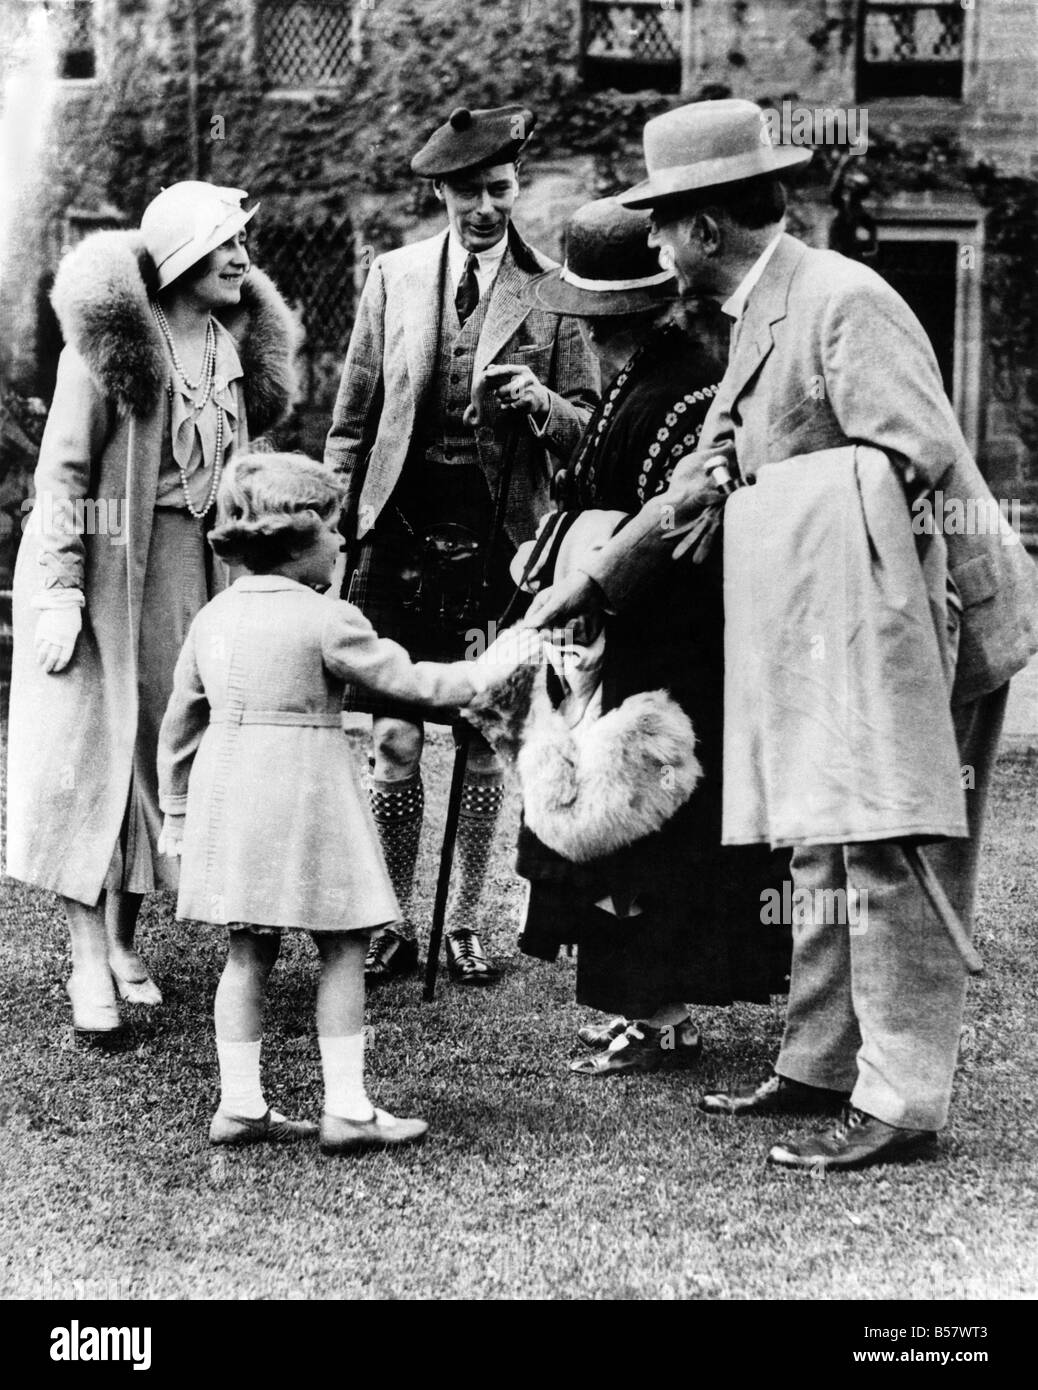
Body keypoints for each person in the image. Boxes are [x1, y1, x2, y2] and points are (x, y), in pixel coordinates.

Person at [525, 99, 1038, 1169]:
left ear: (709, 228)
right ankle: (817, 1062)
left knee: (890, 843)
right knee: (817, 839)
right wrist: (595, 584)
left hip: (918, 618)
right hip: (840, 619)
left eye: (664, 223)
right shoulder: (758, 314)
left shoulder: (846, 301)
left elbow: (915, 464)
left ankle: (901, 1100)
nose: (655, 244)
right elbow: (699, 478)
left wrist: (769, 510)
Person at [157, 453, 524, 1151]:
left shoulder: (213, 618)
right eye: (331, 528)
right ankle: (347, 1108)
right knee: (344, 945)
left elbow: (180, 724)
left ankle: (240, 1103)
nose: (342, 542)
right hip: (307, 795)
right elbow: (412, 683)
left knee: (247, 952)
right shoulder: (331, 619)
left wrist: (177, 815)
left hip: (232, 796)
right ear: (297, 543)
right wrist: (492, 669)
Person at [6, 182, 298, 1045]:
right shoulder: (104, 354)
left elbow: (238, 476)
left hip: (201, 576)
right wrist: (62, 580)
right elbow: (62, 479)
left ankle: (128, 942)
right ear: (180, 258)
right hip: (106, 579)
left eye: (243, 242)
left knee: (168, 752)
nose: (242, 259)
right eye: (225, 244)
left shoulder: (230, 345)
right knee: (96, 757)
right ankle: (85, 958)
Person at [512, 197, 789, 1076]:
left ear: (614, 318)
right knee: (622, 820)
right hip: (628, 626)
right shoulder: (653, 376)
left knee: (641, 829)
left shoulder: (681, 386)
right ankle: (643, 1006)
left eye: (591, 320)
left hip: (663, 635)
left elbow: (671, 520)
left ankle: (659, 1014)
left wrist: (590, 576)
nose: (588, 336)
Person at [325, 104, 599, 986]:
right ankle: (391, 917)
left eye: (500, 189)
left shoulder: (556, 291)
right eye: (468, 192)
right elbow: (352, 418)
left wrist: (540, 405)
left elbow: (588, 434)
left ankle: (465, 921)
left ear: (515, 187)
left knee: (485, 736)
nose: (485, 208)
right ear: (441, 191)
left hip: (497, 549)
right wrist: (342, 521)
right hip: (398, 539)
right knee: (395, 740)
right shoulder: (393, 278)